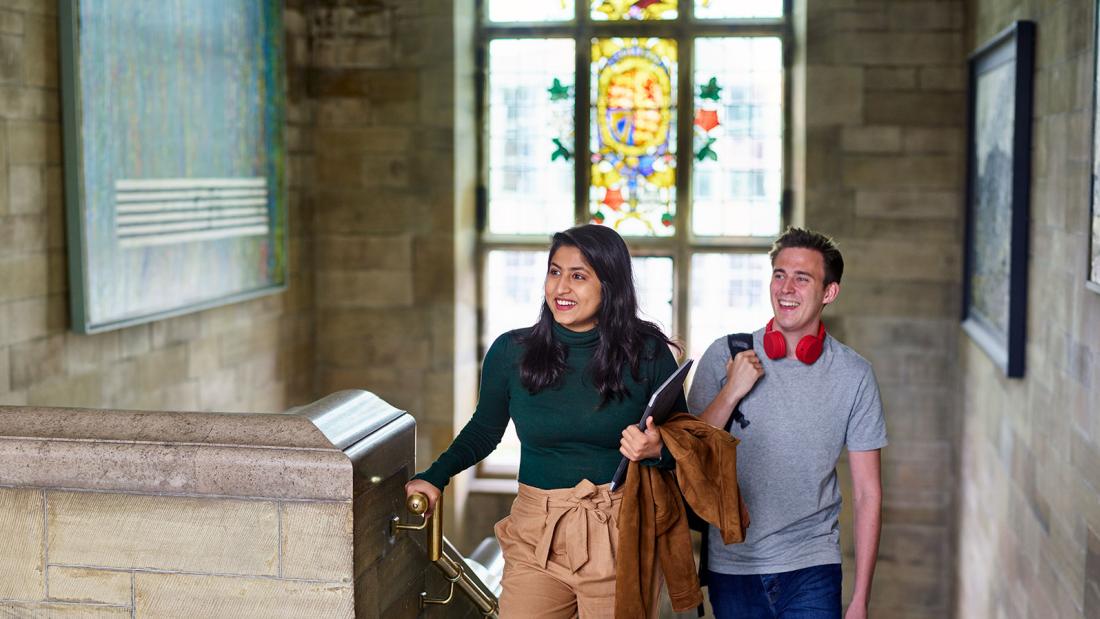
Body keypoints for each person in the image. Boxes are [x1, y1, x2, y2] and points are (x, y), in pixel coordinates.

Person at [405, 224, 686, 618]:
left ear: (611, 284)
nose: (561, 288)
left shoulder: (649, 353)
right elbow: (485, 429)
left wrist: (657, 449)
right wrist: (436, 475)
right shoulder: (511, 351)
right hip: (537, 528)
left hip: (620, 527)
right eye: (554, 272)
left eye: (578, 276)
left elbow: (685, 443)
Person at [687, 227, 887, 619]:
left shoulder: (854, 375)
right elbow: (689, 457)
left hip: (812, 563)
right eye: (779, 274)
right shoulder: (725, 354)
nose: (786, 288)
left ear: (829, 292)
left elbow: (867, 494)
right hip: (733, 566)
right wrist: (731, 391)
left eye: (802, 277)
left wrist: (861, 597)